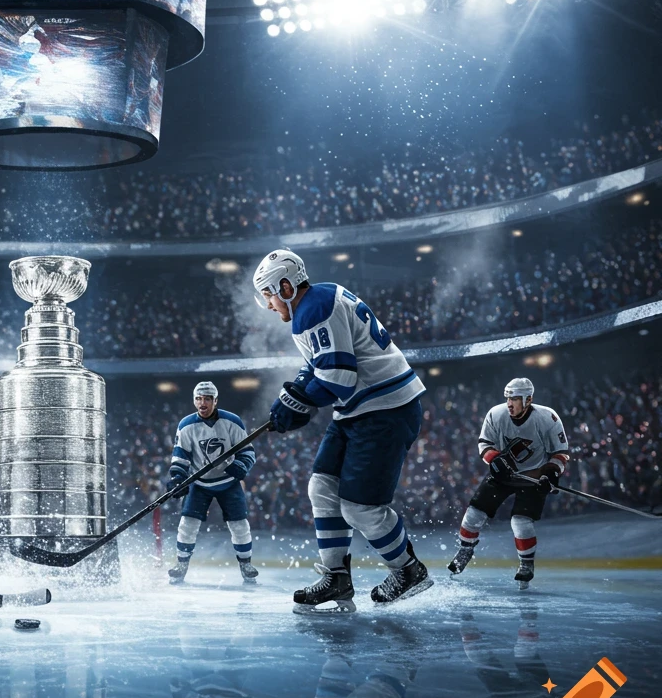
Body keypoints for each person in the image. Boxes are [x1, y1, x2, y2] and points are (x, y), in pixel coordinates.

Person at [251, 249, 431, 613]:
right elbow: (317, 367)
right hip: (360, 410)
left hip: (384, 409)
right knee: (322, 487)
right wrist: (293, 395)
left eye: (269, 293)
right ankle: (336, 576)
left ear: (285, 286)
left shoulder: (313, 308)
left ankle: (409, 570)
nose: (269, 304)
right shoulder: (315, 302)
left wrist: (298, 404)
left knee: (360, 508)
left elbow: (339, 379)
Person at [448, 378, 570, 589]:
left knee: (520, 522)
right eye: (508, 398)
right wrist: (495, 460)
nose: (509, 404)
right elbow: (484, 444)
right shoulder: (496, 414)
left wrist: (550, 474)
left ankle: (526, 564)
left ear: (528, 399)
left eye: (515, 399)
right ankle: (465, 550)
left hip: (534, 476)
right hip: (504, 474)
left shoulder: (548, 418)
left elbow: (560, 453)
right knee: (474, 512)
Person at [166, 381, 258, 585]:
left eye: (207, 398)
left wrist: (241, 466)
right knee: (187, 525)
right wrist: (178, 478)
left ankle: (246, 564)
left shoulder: (232, 421)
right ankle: (181, 565)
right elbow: (180, 456)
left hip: (228, 482)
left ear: (215, 401)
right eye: (198, 398)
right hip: (200, 483)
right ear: (194, 400)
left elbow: (248, 451)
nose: (203, 403)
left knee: (239, 525)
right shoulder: (186, 425)